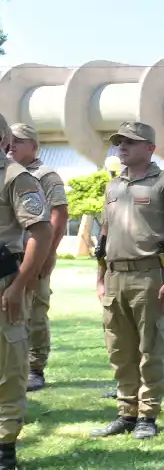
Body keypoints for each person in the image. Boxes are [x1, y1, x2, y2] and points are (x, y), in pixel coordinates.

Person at [91, 122, 164, 440]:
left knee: (151, 348)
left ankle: (147, 415)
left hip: (150, 276)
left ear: (150, 148)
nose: (122, 146)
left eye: (130, 142)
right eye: (119, 142)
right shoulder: (113, 186)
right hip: (115, 276)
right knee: (119, 349)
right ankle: (126, 413)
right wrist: (100, 276)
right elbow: (104, 235)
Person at [0, 114, 51, 470]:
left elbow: (42, 233)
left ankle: (5, 448)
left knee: (8, 367)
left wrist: (20, 284)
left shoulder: (15, 177)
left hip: (4, 280)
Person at [8, 124, 69, 392]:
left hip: (34, 254)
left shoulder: (45, 175)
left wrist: (48, 253)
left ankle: (35, 367)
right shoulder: (8, 173)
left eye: (18, 141)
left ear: (34, 146)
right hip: (10, 256)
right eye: (9, 140)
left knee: (35, 310)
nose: (12, 145)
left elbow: (59, 214)